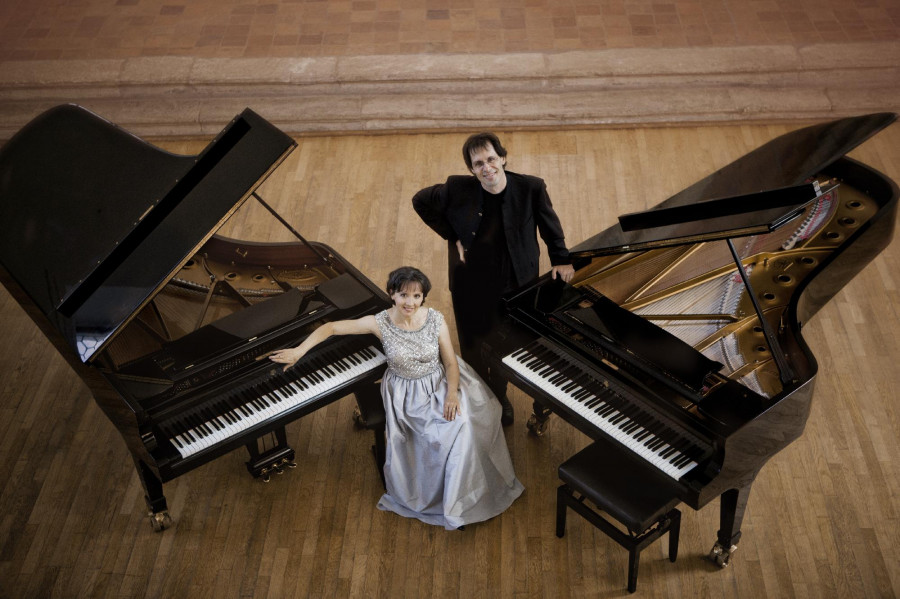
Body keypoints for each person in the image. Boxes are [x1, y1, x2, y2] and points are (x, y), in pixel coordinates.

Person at [269, 266, 524, 530]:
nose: (410, 303)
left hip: (440, 384)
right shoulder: (379, 322)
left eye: (416, 296)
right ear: (392, 294)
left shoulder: (435, 319)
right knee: (445, 433)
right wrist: (299, 351)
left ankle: (462, 501)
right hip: (407, 395)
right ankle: (445, 499)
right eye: (403, 295)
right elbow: (332, 327)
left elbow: (449, 362)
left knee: (466, 423)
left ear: (423, 297)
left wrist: (451, 395)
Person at [412, 132, 575, 426]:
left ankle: (499, 396)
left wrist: (561, 258)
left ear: (502, 157)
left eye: (491, 159)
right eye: (478, 164)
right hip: (471, 284)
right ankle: (479, 396)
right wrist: (453, 236)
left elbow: (550, 227)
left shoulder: (530, 188)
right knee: (473, 345)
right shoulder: (456, 188)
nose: (487, 168)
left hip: (516, 283)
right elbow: (420, 201)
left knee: (507, 345)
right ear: (471, 170)